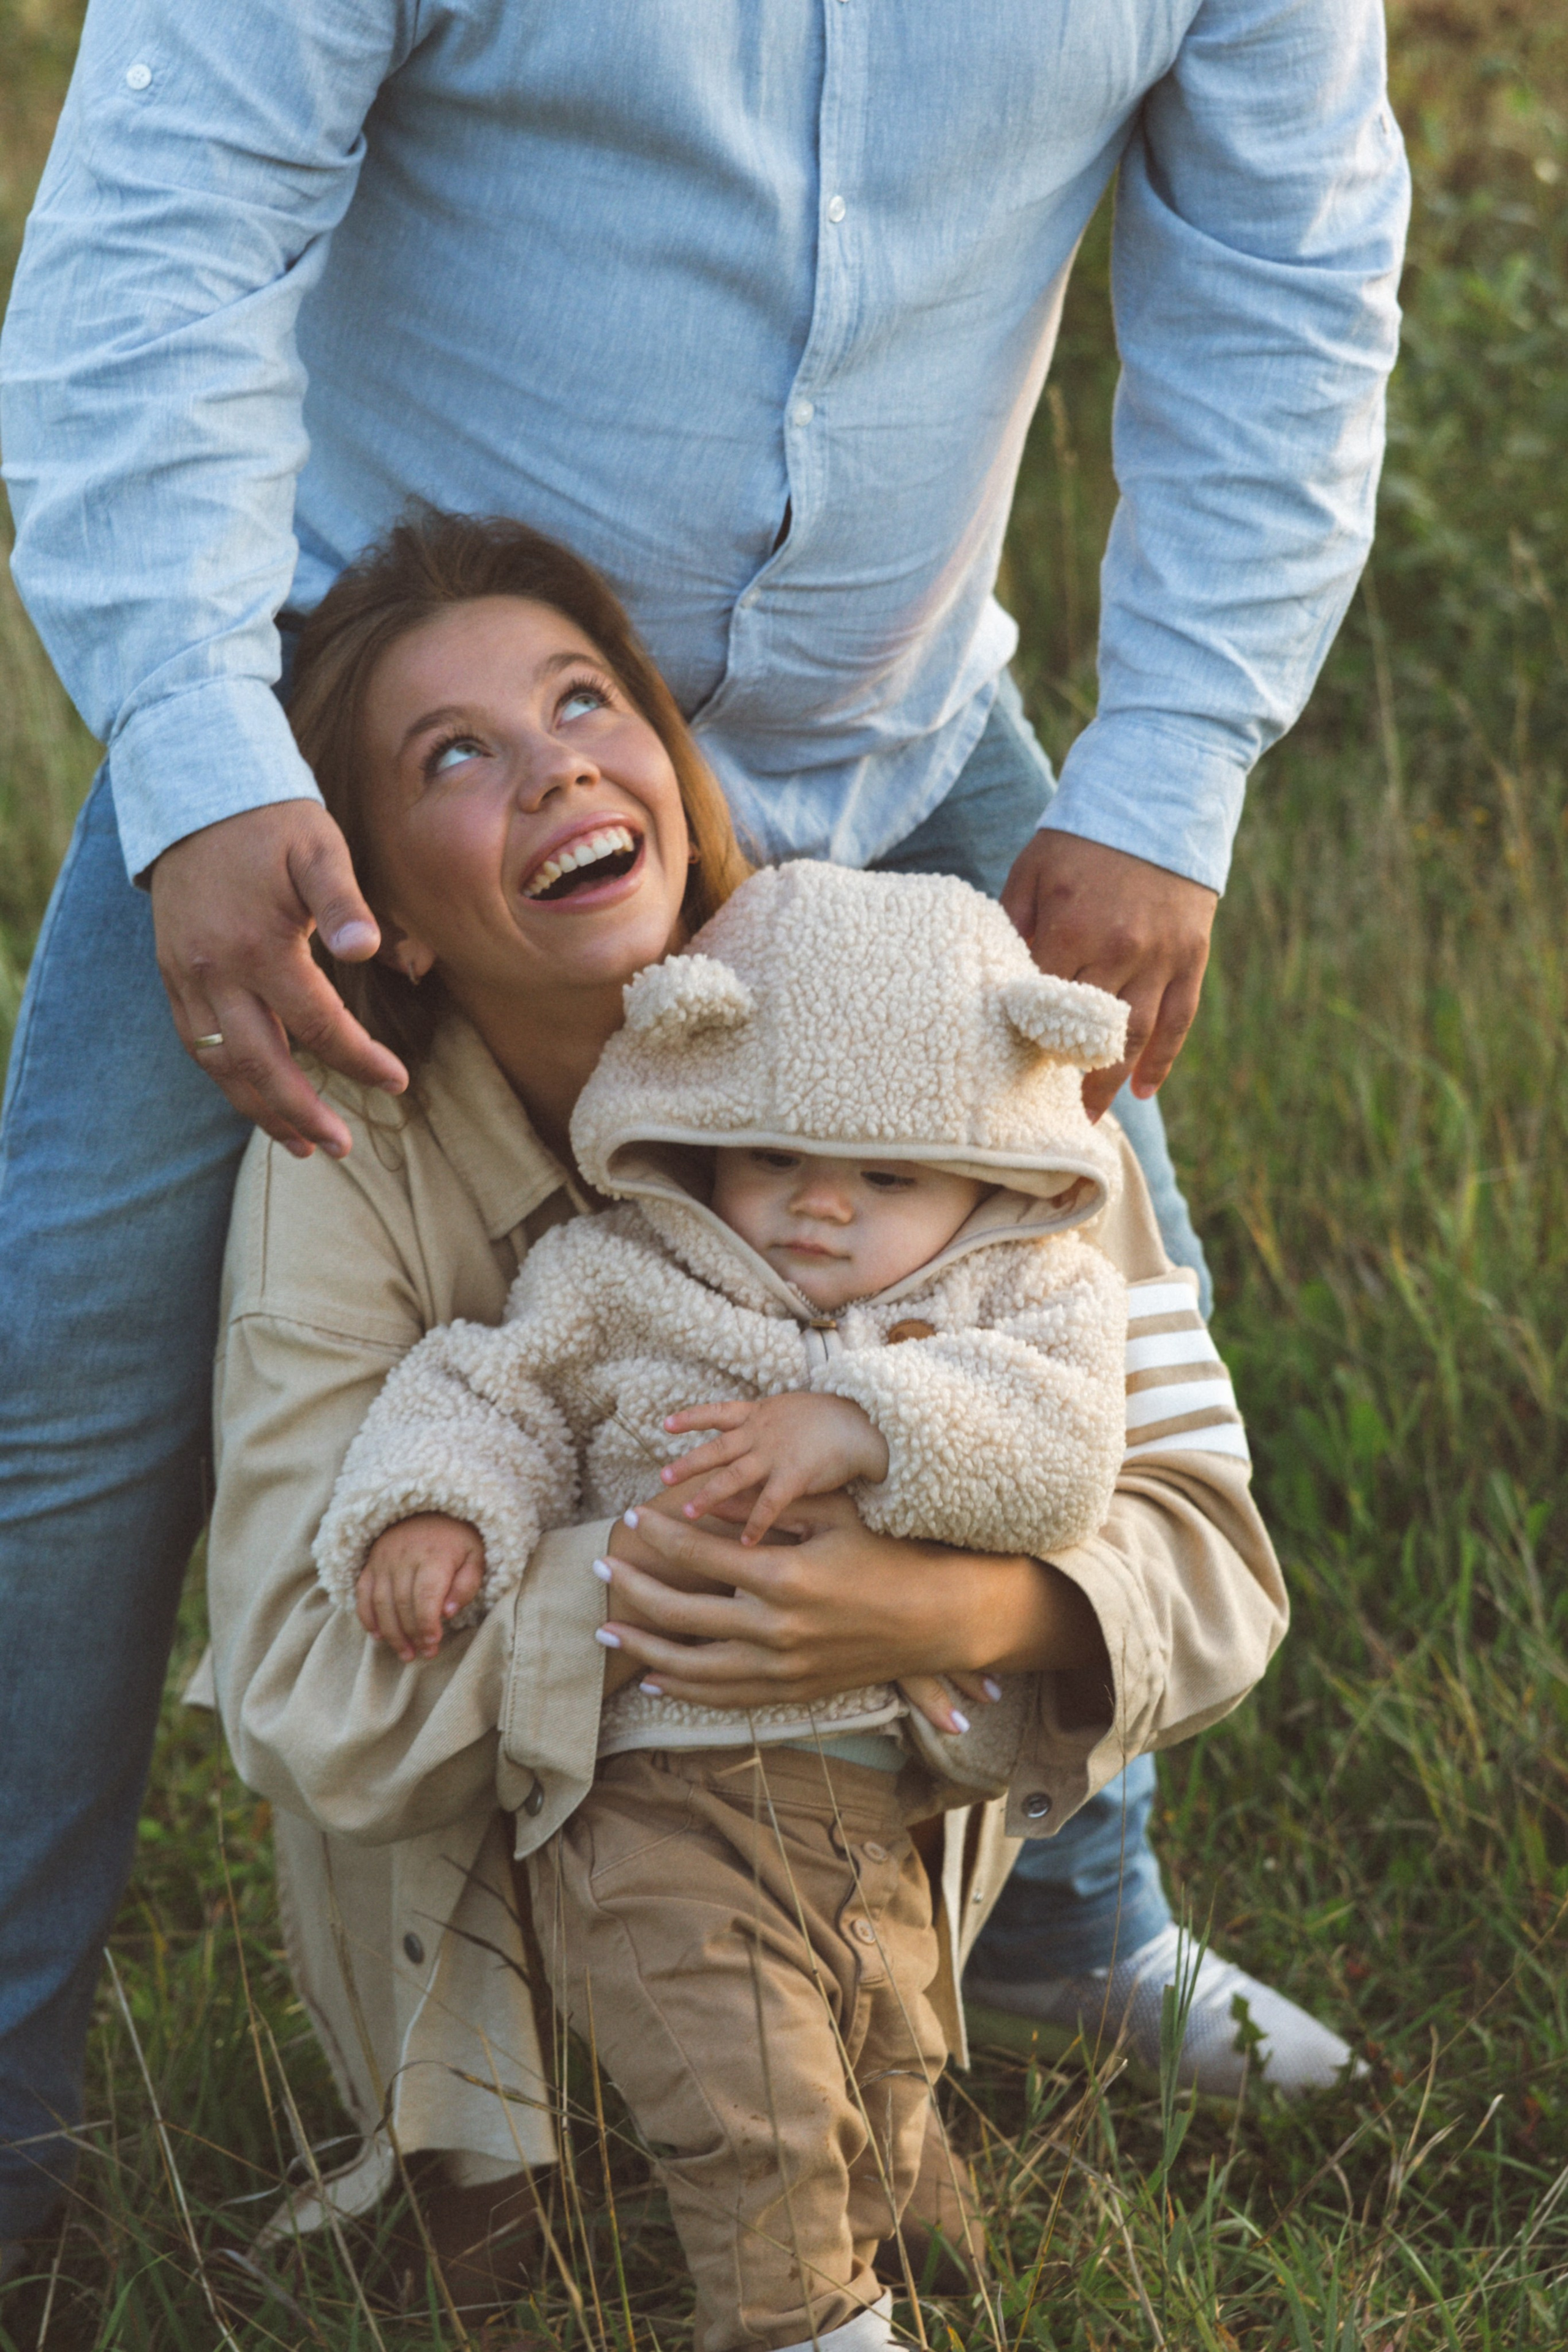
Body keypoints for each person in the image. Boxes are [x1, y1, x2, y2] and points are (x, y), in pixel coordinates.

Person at [0, 0, 1407, 2257]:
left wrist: (1170, 771)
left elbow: (1293, 249)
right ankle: (8, 2115)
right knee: (66, 1385)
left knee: (1088, 1288)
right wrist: (195, 743)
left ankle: (1061, 1924)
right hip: (367, 749)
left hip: (896, 725)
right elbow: (166, 227)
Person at [205, 512, 1288, 2329]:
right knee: (563, 2268)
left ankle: (935, 2067)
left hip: (873, 1837)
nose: (553, 763)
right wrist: (641, 1599)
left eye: (583, 699)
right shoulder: (347, 1154)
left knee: (870, 2160)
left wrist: (954, 1610)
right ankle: (509, 2183)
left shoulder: (936, 1029)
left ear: (669, 751)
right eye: (453, 755)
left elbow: (1216, 1562)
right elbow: (303, 1692)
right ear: (368, 884)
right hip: (505, 1942)